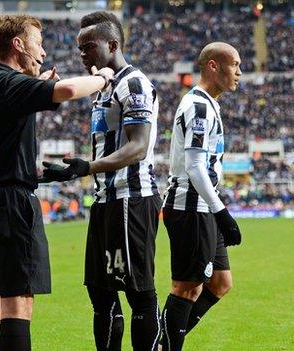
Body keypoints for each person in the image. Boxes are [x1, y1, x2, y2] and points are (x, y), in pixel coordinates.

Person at [0, 14, 115, 351]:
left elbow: (7, 128)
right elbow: (70, 89)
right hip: (11, 204)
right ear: (18, 45)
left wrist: (36, 87)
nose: (43, 52)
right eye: (38, 43)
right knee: (18, 302)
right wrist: (104, 77)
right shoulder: (10, 85)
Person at [42, 11, 162, 350]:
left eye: (89, 47)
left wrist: (87, 167)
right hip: (106, 199)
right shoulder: (103, 88)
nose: (83, 55)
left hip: (132, 198)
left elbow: (137, 147)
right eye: (79, 49)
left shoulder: (133, 83)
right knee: (101, 292)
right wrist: (78, 170)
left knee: (138, 292)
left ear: (113, 44)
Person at [160, 42, 243, 350]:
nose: (238, 72)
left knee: (220, 283)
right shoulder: (198, 107)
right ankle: (164, 344)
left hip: (203, 207)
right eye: (234, 64)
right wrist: (222, 212)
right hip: (190, 207)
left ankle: (163, 340)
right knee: (186, 288)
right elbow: (195, 167)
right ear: (212, 65)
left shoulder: (209, 104)